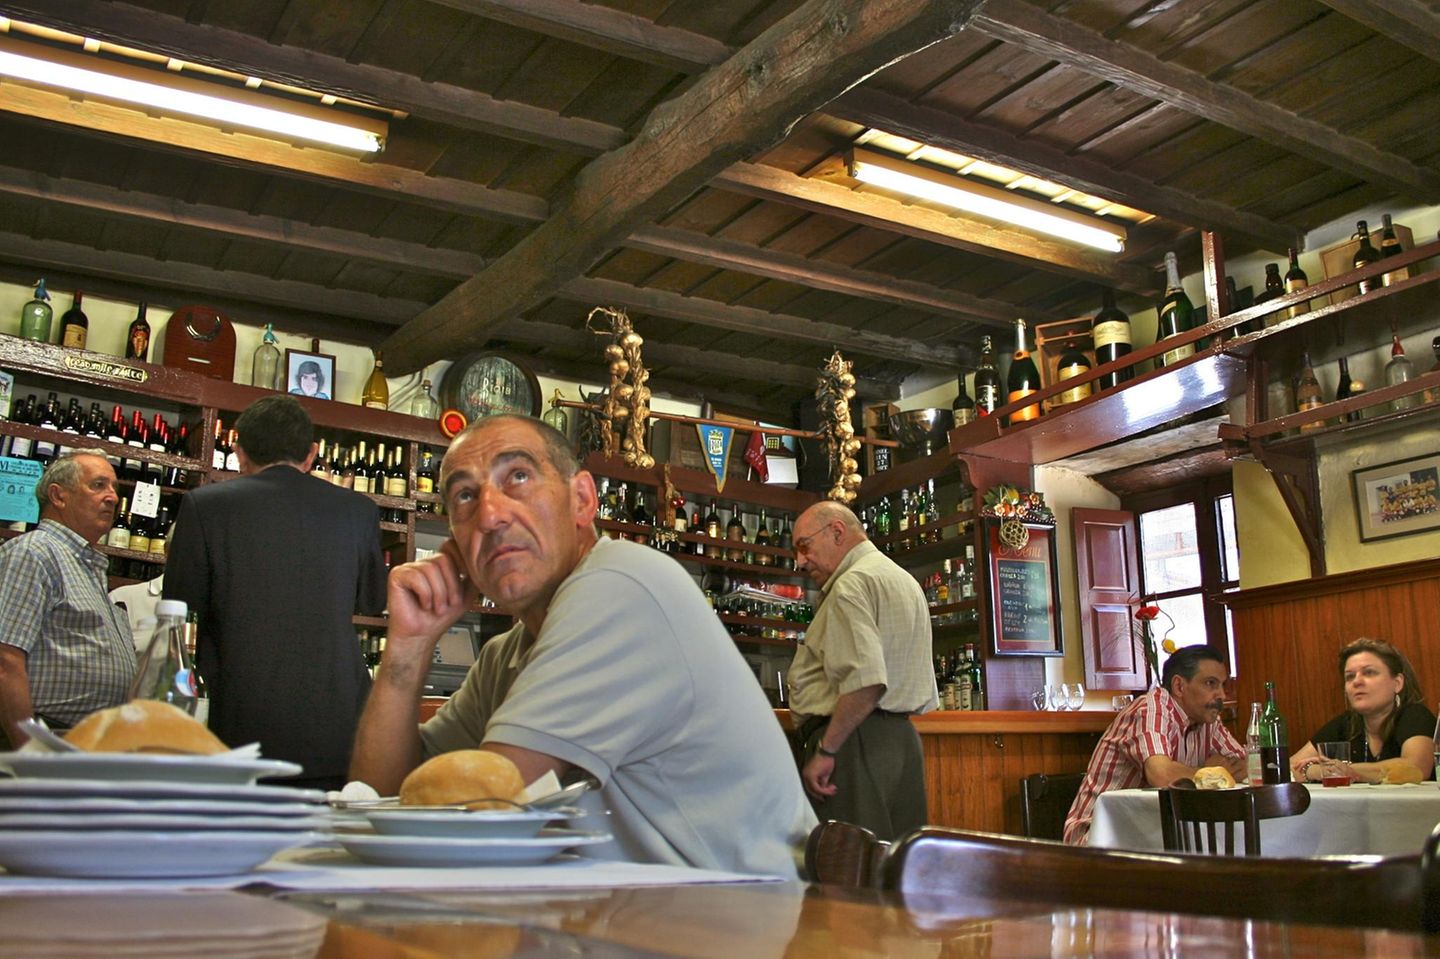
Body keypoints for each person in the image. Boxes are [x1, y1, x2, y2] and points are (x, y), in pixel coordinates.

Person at [349, 414, 815, 876]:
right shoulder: (505, 655)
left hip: (755, 925)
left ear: (583, 500)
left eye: (518, 477)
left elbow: (473, 817)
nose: (490, 516)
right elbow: (380, 801)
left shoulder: (621, 584)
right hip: (633, 923)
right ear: (456, 540)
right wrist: (406, 651)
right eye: (465, 496)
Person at [165, 396, 385, 789]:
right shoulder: (358, 511)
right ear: (312, 454)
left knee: (242, 844)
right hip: (337, 725)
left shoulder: (205, 506)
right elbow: (372, 601)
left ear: (239, 452)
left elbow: (180, 605)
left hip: (243, 722)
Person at [785, 500, 938, 841]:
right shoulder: (903, 580)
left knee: (849, 871)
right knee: (897, 866)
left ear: (837, 531)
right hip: (902, 742)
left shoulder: (850, 585)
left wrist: (827, 749)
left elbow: (865, 682)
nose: (800, 561)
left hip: (853, 743)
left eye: (804, 546)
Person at [0, 451, 135, 747]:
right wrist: (30, 751)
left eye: (114, 487)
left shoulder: (88, 565)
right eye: (98, 485)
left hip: (83, 743)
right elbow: (6, 660)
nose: (112, 497)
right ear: (58, 496)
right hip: (42, 738)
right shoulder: (35, 553)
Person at [1063, 645, 1246, 845]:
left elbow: (1246, 766)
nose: (1222, 695)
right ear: (1179, 686)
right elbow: (1161, 775)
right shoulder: (1151, 708)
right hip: (1099, 840)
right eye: (1211, 684)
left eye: (1222, 685)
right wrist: (1210, 772)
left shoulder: (1207, 720)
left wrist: (1217, 772)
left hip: (1157, 833)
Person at [1289, 639, 1436, 784]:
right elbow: (1288, 768)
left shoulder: (1415, 715)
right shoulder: (1346, 723)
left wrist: (1346, 770)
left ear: (1397, 683)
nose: (1357, 681)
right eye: (1350, 676)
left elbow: (1416, 767)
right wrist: (1316, 770)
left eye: (1369, 672)